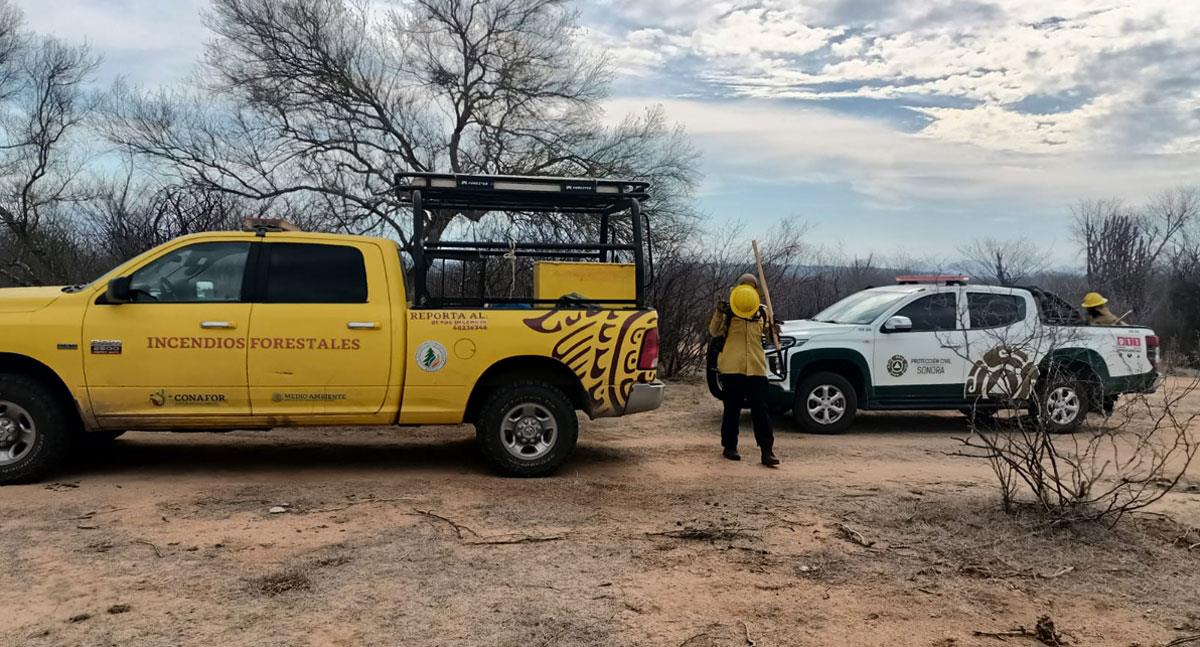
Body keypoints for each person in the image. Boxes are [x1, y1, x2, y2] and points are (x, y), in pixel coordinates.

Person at [708, 273, 779, 467]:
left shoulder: (763, 312)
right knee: (732, 409)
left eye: (751, 285)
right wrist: (719, 313)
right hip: (732, 367)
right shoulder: (729, 311)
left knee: (761, 410)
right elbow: (714, 332)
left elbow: (772, 339)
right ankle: (729, 447)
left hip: (756, 367)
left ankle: (767, 451)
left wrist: (775, 330)